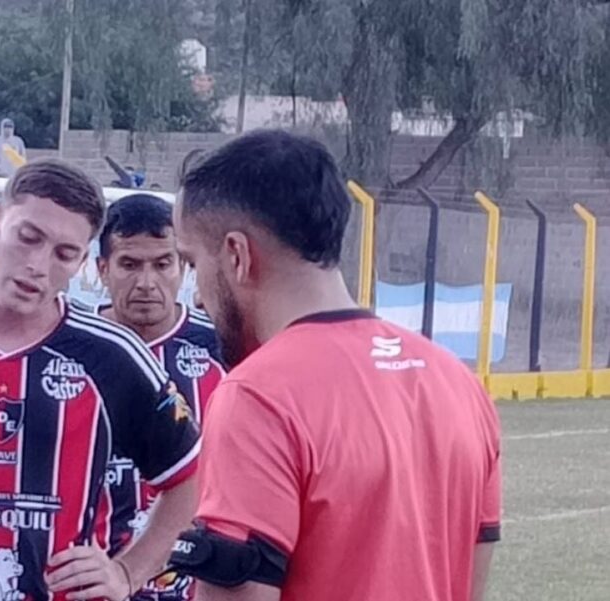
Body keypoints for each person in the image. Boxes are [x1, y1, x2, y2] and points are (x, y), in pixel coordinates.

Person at [167, 130, 502, 601]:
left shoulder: (259, 396)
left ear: (237, 255)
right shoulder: (459, 383)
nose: (197, 295)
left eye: (192, 262)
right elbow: (468, 583)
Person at [0, 159, 200, 601]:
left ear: (84, 262)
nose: (38, 265)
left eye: (64, 254)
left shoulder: (112, 354)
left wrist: (126, 572)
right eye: (27, 238)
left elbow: (192, 477)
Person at [94, 193, 226, 601]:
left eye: (162, 264)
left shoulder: (224, 348)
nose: (146, 283)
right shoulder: (74, 347)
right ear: (102, 269)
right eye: (129, 265)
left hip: (197, 580)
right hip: (94, 578)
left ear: (184, 266)